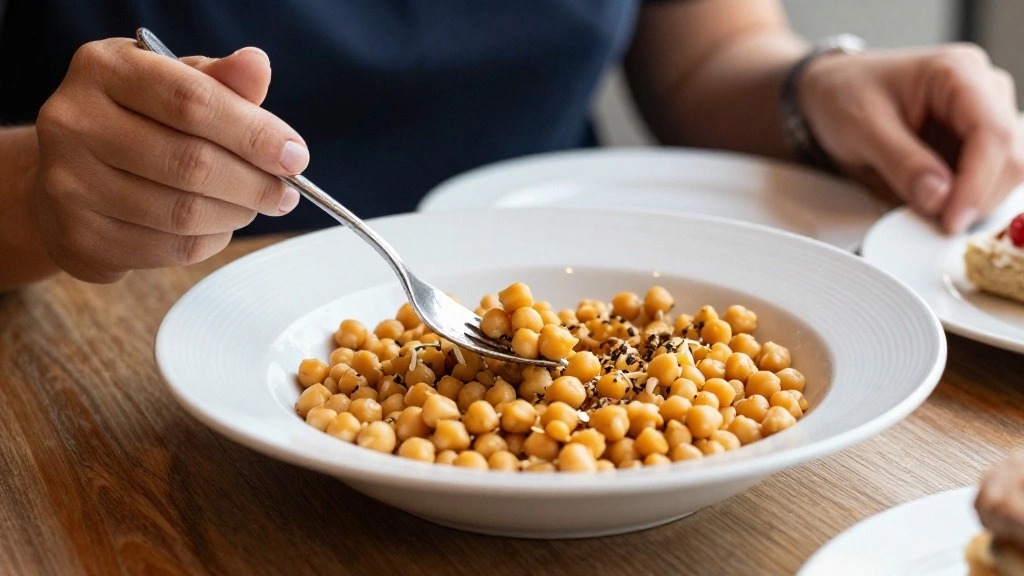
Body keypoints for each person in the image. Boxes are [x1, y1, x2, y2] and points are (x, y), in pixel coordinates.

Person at [0, 1, 1021, 290]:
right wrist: (42, 195)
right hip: (106, 330)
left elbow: (706, 55)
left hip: (566, 266)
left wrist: (812, 88)